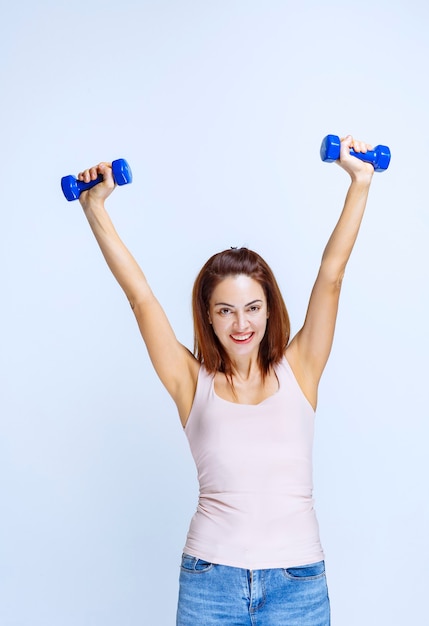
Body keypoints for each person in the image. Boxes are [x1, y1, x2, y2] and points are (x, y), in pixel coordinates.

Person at [77, 135, 376, 625]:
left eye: (253, 308)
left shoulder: (301, 368)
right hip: (210, 581)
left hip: (298, 582)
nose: (242, 324)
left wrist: (360, 182)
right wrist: (95, 209)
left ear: (268, 310)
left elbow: (331, 276)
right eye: (226, 310)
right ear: (209, 318)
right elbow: (141, 298)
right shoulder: (189, 382)